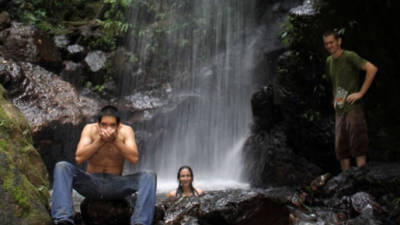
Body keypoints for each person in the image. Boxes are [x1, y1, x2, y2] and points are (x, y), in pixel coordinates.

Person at [51, 105, 156, 225]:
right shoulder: (89, 129)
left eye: (112, 125)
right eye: (104, 125)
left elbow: (134, 158)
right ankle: (63, 219)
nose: (108, 128)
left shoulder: (126, 131)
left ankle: (140, 222)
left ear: (119, 125)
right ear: (98, 124)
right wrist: (100, 141)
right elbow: (79, 158)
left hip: (116, 184)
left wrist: (116, 140)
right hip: (92, 183)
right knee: (62, 167)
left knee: (148, 176)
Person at [323, 30, 378, 171]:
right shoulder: (329, 61)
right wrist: (336, 99)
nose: (329, 46)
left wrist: (360, 93)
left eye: (331, 42)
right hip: (340, 110)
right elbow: (337, 83)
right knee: (341, 149)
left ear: (339, 41)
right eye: (326, 43)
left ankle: (363, 180)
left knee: (358, 145)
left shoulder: (349, 56)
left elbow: (372, 69)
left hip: (354, 109)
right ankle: (345, 182)